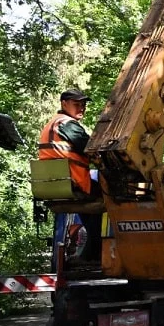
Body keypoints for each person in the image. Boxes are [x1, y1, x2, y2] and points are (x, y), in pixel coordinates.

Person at [38, 88, 102, 264]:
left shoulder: (53, 123)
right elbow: (89, 147)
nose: (81, 108)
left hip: (55, 182)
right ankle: (94, 253)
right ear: (63, 104)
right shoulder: (67, 124)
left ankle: (91, 252)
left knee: (92, 207)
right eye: (77, 104)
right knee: (109, 197)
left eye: (83, 105)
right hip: (74, 181)